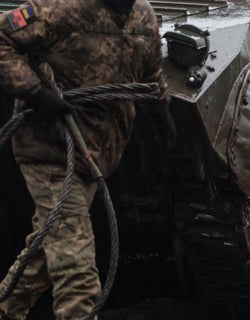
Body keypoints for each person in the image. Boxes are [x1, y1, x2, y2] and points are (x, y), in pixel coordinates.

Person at [0, 0, 174, 318]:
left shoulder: (143, 16)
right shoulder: (61, 7)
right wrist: (35, 92)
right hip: (50, 148)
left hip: (96, 154)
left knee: (46, 251)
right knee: (76, 268)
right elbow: (2, 37)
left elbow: (151, 74)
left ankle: (7, 308)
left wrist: (163, 116)